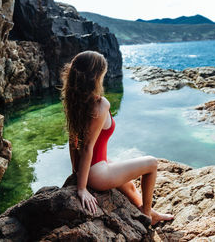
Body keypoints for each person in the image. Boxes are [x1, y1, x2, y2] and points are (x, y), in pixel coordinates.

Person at [60, 50, 174, 225]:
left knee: (129, 185)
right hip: (97, 173)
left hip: (96, 166)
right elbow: (86, 147)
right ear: (96, 76)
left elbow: (73, 140)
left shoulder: (75, 100)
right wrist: (81, 188)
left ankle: (151, 211)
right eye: (103, 74)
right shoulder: (100, 104)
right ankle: (147, 217)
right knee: (152, 163)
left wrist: (75, 171)